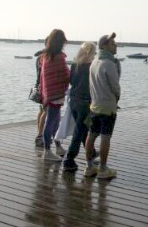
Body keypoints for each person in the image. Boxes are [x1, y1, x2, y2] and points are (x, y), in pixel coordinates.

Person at [84, 32, 121, 179]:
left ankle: (89, 167)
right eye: (112, 44)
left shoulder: (94, 62)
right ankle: (103, 169)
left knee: (92, 135)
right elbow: (115, 87)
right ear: (105, 46)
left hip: (94, 105)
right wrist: (117, 98)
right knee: (106, 137)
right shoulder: (109, 64)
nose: (115, 45)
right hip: (107, 106)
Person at [62, 41, 97, 173]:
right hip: (86, 102)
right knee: (80, 130)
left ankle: (91, 152)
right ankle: (69, 159)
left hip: (74, 100)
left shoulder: (75, 64)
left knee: (82, 128)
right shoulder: (92, 66)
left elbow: (71, 81)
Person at [38, 29, 71, 162]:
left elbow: (43, 77)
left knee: (55, 120)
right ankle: (47, 150)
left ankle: (57, 146)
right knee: (51, 121)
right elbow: (66, 74)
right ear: (60, 42)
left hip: (48, 92)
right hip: (55, 94)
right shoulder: (58, 57)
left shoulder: (45, 56)